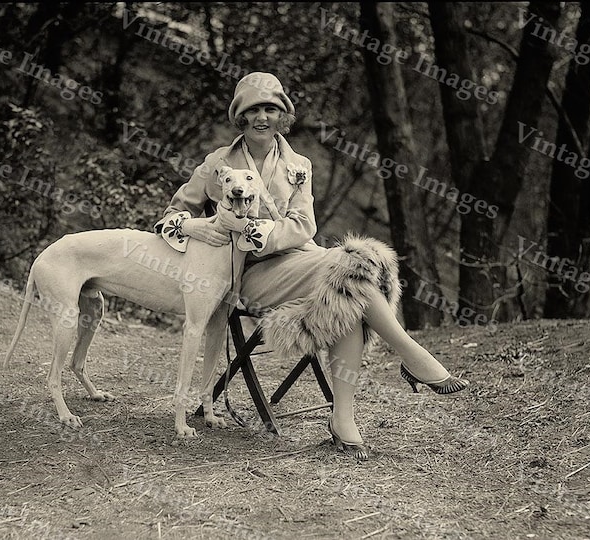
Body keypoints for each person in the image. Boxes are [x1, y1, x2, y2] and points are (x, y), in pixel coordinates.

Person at [154, 71, 469, 460]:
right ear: (240, 116)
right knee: (349, 273)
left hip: (300, 259)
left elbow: (304, 226)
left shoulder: (297, 164)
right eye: (253, 110)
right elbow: (172, 215)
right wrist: (205, 226)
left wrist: (261, 228)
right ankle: (408, 354)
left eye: (271, 109)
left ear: (282, 115)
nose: (262, 118)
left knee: (348, 287)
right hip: (246, 273)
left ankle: (344, 418)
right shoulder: (218, 163)